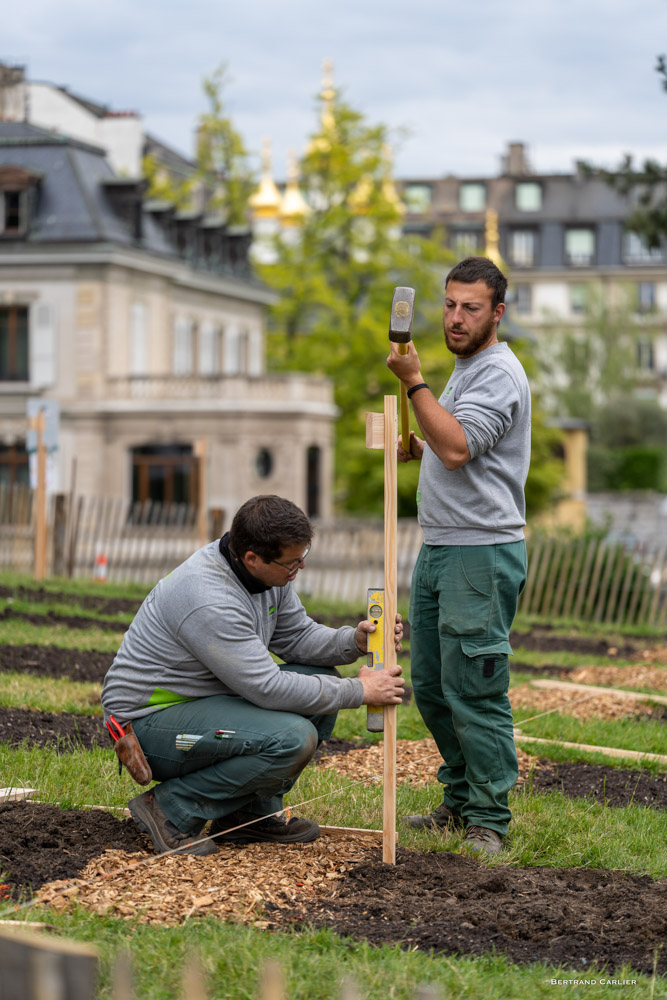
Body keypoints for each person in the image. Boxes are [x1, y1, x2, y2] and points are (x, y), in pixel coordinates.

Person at [102, 494, 404, 856]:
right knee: (293, 738)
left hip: (203, 703)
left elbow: (296, 637)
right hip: (149, 724)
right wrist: (359, 691)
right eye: (291, 563)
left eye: (301, 558)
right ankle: (170, 810)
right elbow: (267, 688)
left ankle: (248, 815)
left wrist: (353, 641)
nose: (299, 570)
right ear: (251, 558)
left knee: (317, 673)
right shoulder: (209, 597)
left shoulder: (266, 575)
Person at [386, 256, 531, 856]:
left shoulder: (498, 372)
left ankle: (489, 819)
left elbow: (460, 449)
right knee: (435, 686)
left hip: (481, 551)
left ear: (496, 313)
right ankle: (460, 798)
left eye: (470, 308)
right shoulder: (466, 368)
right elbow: (446, 442)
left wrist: (415, 383)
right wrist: (420, 436)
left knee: (474, 687)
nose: (455, 317)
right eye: (449, 304)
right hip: (441, 545)